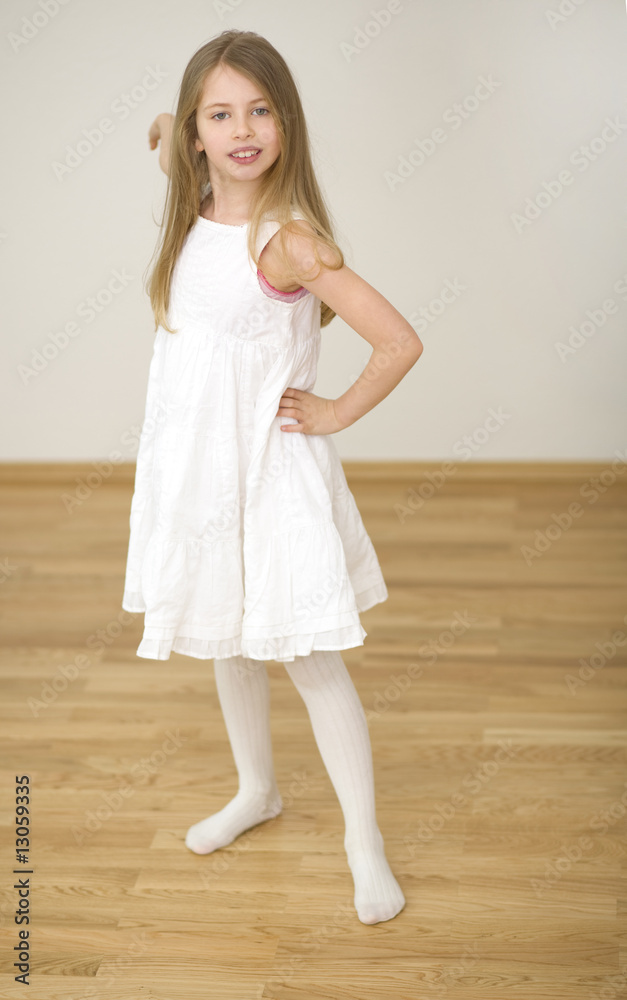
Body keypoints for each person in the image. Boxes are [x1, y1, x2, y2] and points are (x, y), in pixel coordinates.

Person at [122, 29, 423, 925]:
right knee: (227, 633)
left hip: (268, 473)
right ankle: (256, 789)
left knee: (304, 651)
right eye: (220, 116)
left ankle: (363, 843)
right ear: (196, 135)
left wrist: (333, 412)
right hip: (200, 476)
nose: (242, 130)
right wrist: (166, 127)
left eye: (260, 111)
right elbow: (166, 140)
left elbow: (398, 341)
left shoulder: (287, 242)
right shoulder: (191, 201)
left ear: (286, 122)